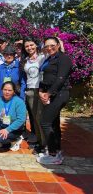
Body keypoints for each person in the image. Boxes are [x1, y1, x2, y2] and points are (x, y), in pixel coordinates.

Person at [36, 37, 72, 165]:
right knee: (54, 123)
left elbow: (60, 79)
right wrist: (41, 90)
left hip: (60, 94)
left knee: (45, 122)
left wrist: (49, 93)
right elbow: (43, 76)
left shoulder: (64, 59)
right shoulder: (49, 59)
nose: (49, 48)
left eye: (52, 45)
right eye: (47, 46)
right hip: (49, 94)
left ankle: (53, 154)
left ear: (58, 45)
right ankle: (56, 150)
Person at [0, 82, 26, 151]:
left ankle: (15, 140)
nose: (7, 92)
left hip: (14, 129)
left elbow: (21, 119)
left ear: (14, 91)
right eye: (5, 89)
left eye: (9, 90)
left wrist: (7, 130)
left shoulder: (19, 102)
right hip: (1, 125)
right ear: (2, 90)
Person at [20, 38, 45, 149]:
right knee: (34, 118)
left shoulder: (42, 57)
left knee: (41, 117)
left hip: (40, 90)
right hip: (30, 90)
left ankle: (45, 143)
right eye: (27, 46)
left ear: (36, 45)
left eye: (31, 45)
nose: (29, 48)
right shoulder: (25, 60)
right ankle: (39, 141)